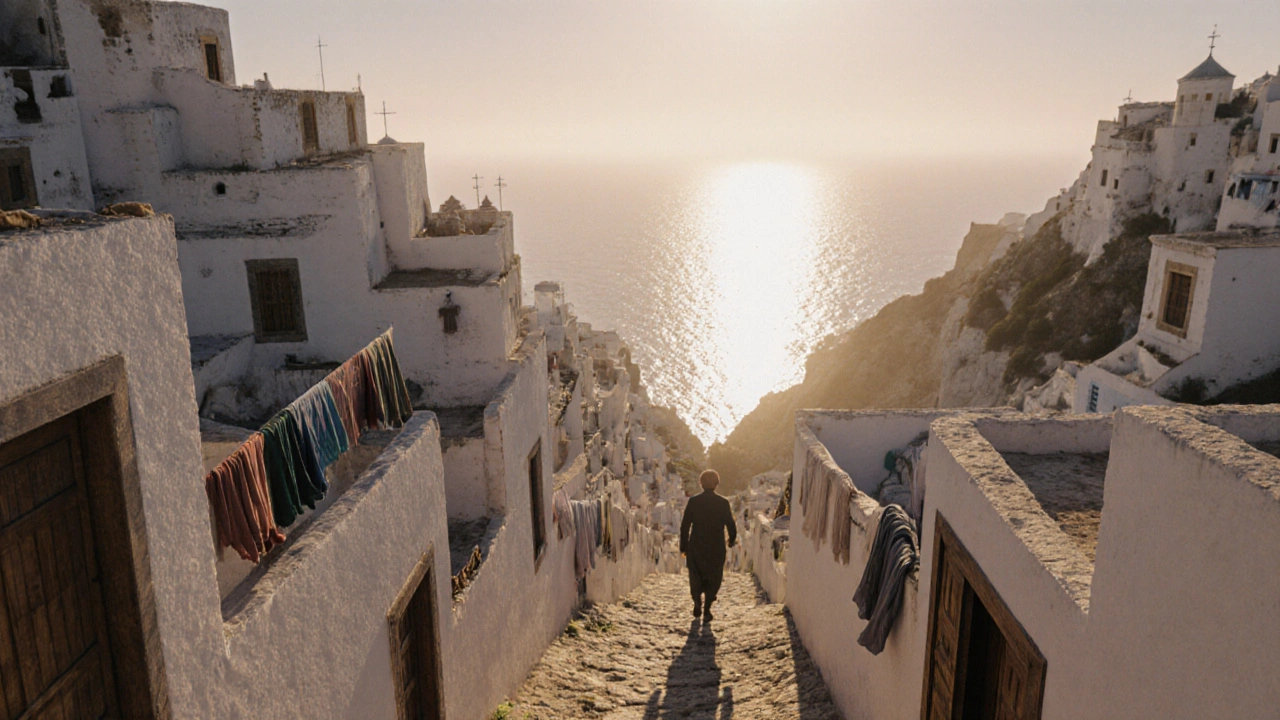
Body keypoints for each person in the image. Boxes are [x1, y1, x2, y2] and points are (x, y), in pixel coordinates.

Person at [679, 469, 737, 622]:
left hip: (696, 547)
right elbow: (730, 524)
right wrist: (732, 539)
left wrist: (683, 546)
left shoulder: (694, 502)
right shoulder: (723, 503)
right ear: (717, 484)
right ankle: (707, 609)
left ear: (701, 483)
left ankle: (697, 601)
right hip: (716, 548)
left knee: (695, 577)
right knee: (714, 577)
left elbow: (685, 525)